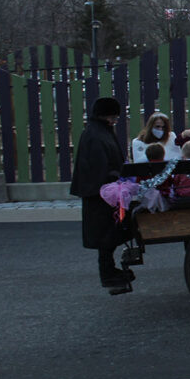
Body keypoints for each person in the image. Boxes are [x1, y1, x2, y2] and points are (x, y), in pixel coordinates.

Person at [70, 97, 133, 294]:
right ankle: (108, 275)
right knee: (106, 236)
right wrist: (116, 178)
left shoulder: (97, 132)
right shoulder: (96, 135)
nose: (115, 121)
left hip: (103, 192)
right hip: (101, 195)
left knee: (107, 236)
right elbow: (99, 167)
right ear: (106, 116)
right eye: (113, 117)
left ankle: (110, 272)